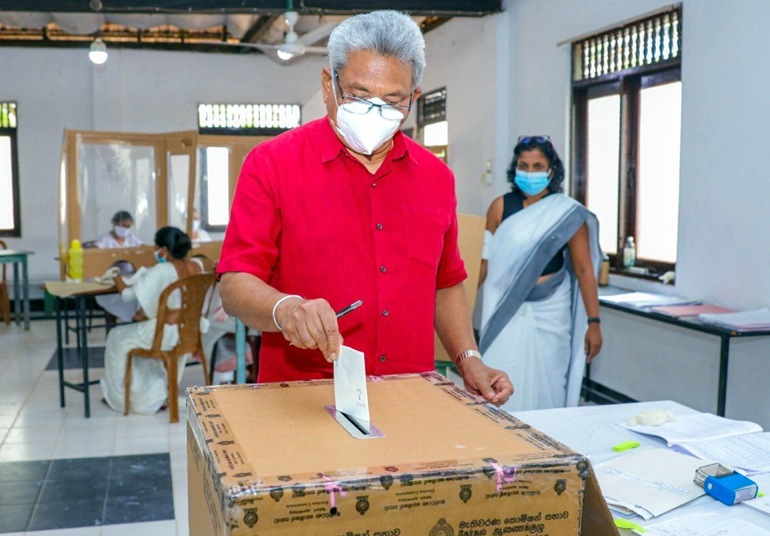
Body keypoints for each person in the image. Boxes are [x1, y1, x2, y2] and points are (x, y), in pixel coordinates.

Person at [218, 10, 513, 405]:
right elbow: (234, 285)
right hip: (303, 397)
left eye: (392, 100)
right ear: (328, 85)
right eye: (358, 96)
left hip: (410, 395)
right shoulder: (272, 164)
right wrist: (285, 309)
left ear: (413, 98)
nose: (375, 112)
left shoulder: (436, 178)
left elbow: (445, 284)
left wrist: (470, 359)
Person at [477, 136, 603, 411]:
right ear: (515, 168)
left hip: (551, 310)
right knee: (499, 373)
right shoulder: (500, 207)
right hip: (505, 307)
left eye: (537, 166)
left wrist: (594, 322)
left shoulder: (566, 212)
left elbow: (584, 270)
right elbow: (483, 262)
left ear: (551, 170)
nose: (530, 172)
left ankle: (549, 441)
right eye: (524, 165)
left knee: (549, 377)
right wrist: (458, 306)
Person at [101, 226, 205, 414]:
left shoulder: (162, 270)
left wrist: (115, 275)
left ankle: (119, 398)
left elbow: (126, 294)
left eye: (157, 248)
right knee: (138, 336)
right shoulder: (197, 265)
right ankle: (156, 393)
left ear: (164, 250)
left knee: (116, 337)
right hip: (190, 331)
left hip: (165, 334)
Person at [94, 211, 144, 323]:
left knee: (139, 296)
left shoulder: (131, 238)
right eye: (122, 225)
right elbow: (95, 256)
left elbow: (143, 249)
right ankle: (132, 319)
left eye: (127, 226)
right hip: (111, 284)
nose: (125, 229)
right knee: (122, 299)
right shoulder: (105, 239)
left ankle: (137, 319)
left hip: (130, 281)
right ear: (115, 223)